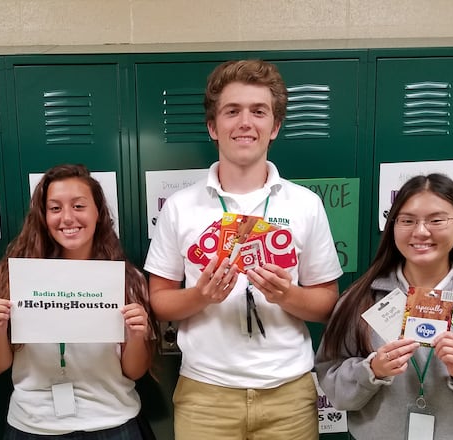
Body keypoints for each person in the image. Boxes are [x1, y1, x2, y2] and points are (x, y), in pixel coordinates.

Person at [144, 59, 343, 439]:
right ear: (212, 127)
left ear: (275, 126)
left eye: (258, 111)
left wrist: (288, 295)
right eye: (232, 111)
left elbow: (326, 303)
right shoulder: (181, 207)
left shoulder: (304, 204)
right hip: (206, 394)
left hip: (288, 393)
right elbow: (159, 301)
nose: (245, 123)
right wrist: (201, 296)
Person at [315, 173, 453, 439]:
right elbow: (332, 384)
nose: (420, 232)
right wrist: (372, 370)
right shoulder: (360, 299)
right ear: (393, 226)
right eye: (407, 220)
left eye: (437, 220)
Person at [0, 164, 159, 439]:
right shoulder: (15, 278)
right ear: (43, 217)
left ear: (98, 213)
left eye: (79, 206)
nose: (67, 218)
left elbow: (134, 371)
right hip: (33, 425)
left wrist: (137, 335)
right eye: (55, 208)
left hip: (113, 422)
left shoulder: (127, 280)